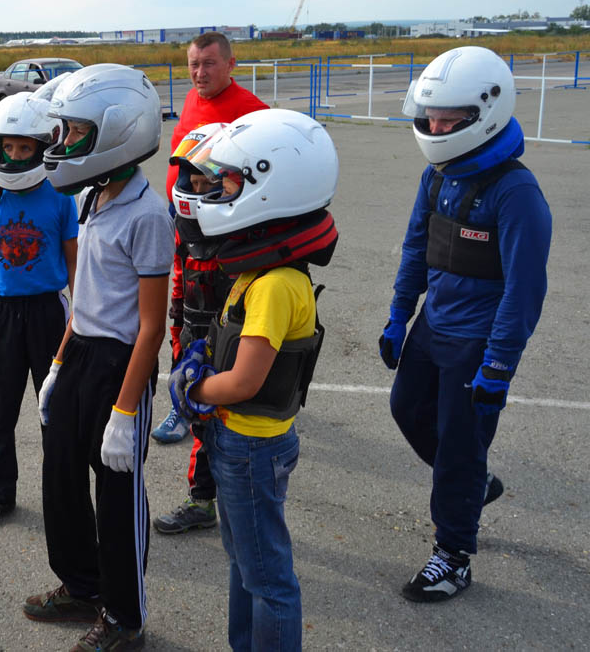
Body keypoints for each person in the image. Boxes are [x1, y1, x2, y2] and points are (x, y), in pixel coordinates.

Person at [379, 45, 552, 603]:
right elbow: (416, 248)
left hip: (478, 340)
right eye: (431, 118)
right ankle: (474, 482)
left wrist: (499, 364)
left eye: (449, 120)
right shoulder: (437, 177)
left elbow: (524, 290)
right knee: (407, 409)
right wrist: (399, 315)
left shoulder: (516, 193)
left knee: (458, 443)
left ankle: (453, 555)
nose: (435, 128)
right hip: (433, 326)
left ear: (486, 114)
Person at [171, 108, 340, 652]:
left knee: (267, 578)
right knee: (245, 562)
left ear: (274, 190)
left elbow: (244, 382)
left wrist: (192, 392)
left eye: (229, 185)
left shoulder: (274, 283)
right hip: (241, 441)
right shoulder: (259, 269)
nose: (218, 195)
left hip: (249, 445)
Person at [23, 63, 171, 652]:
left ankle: (124, 617)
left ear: (119, 132)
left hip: (120, 366)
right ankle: (82, 585)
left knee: (117, 499)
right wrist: (58, 367)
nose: (64, 144)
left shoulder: (148, 215)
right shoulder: (90, 196)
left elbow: (151, 326)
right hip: (80, 351)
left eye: (77, 133)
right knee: (60, 480)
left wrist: (126, 412)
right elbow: (83, 297)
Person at [0, 87, 78, 531]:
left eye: (24, 148)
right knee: (1, 409)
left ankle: (62, 495)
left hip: (49, 313)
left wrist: (81, 319)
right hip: (4, 315)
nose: (14, 156)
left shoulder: (61, 197)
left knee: (56, 408)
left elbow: (74, 265)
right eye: (7, 148)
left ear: (42, 147)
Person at [153, 32, 267, 446]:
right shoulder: (189, 100)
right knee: (182, 314)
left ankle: (227, 395)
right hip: (183, 221)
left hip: (222, 232)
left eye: (209, 64)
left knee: (219, 317)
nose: (199, 73)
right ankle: (183, 397)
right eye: (193, 64)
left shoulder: (253, 112)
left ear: (231, 64)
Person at [152, 123, 231, 538]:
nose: (198, 191)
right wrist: (177, 334)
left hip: (233, 344)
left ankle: (237, 502)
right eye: (193, 182)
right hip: (194, 338)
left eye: (207, 183)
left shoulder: (242, 234)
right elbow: (179, 283)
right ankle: (201, 501)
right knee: (200, 422)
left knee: (232, 426)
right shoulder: (185, 230)